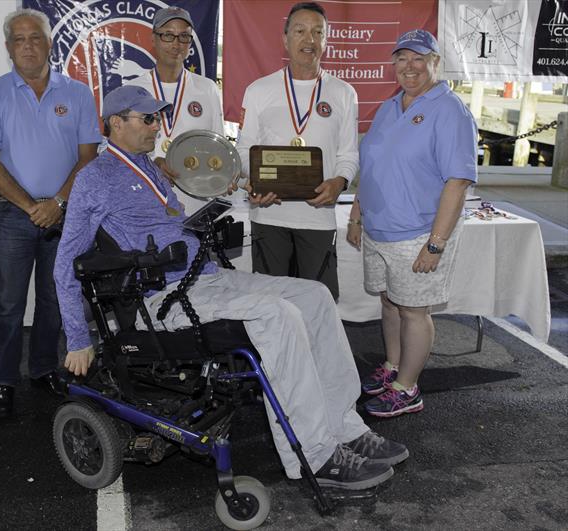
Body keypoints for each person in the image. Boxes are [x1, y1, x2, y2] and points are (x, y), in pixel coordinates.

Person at [54, 85, 409, 490]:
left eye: (158, 117)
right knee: (278, 315)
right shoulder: (94, 179)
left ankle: (344, 427)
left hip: (204, 277)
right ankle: (316, 455)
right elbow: (67, 261)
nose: (158, 126)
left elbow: (171, 216)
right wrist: (79, 338)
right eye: (148, 119)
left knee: (315, 296)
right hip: (164, 297)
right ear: (116, 123)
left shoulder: (147, 165)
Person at [0, 8, 101, 418]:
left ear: (50, 43)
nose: (28, 45)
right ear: (9, 48)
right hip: (13, 214)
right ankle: (5, 379)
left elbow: (88, 157)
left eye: (36, 37)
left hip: (65, 213)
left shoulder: (77, 93)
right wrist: (32, 206)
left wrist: (58, 203)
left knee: (53, 298)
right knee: (9, 303)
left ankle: (43, 368)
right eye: (19, 39)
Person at [346, 30, 477, 417]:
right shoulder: (390, 106)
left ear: (435, 62)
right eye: (401, 58)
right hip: (379, 229)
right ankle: (392, 367)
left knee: (414, 311)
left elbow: (457, 181)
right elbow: (371, 167)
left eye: (418, 58)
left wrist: (436, 243)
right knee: (390, 302)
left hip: (419, 232)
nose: (409, 67)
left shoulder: (450, 110)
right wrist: (357, 214)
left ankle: (408, 388)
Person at [236, 2, 358, 300]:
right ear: (285, 38)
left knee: (319, 302)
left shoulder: (343, 93)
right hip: (269, 214)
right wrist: (252, 182)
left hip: (318, 216)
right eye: (301, 31)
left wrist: (339, 182)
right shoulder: (258, 90)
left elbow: (349, 154)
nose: (310, 40)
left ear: (327, 41)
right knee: (270, 303)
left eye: (318, 32)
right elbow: (243, 149)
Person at [126, 6, 226, 214]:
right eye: (168, 36)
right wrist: (152, 164)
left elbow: (218, 146)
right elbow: (120, 153)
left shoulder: (207, 89)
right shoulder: (132, 91)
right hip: (146, 203)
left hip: (196, 205)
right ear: (153, 39)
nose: (176, 44)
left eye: (184, 37)